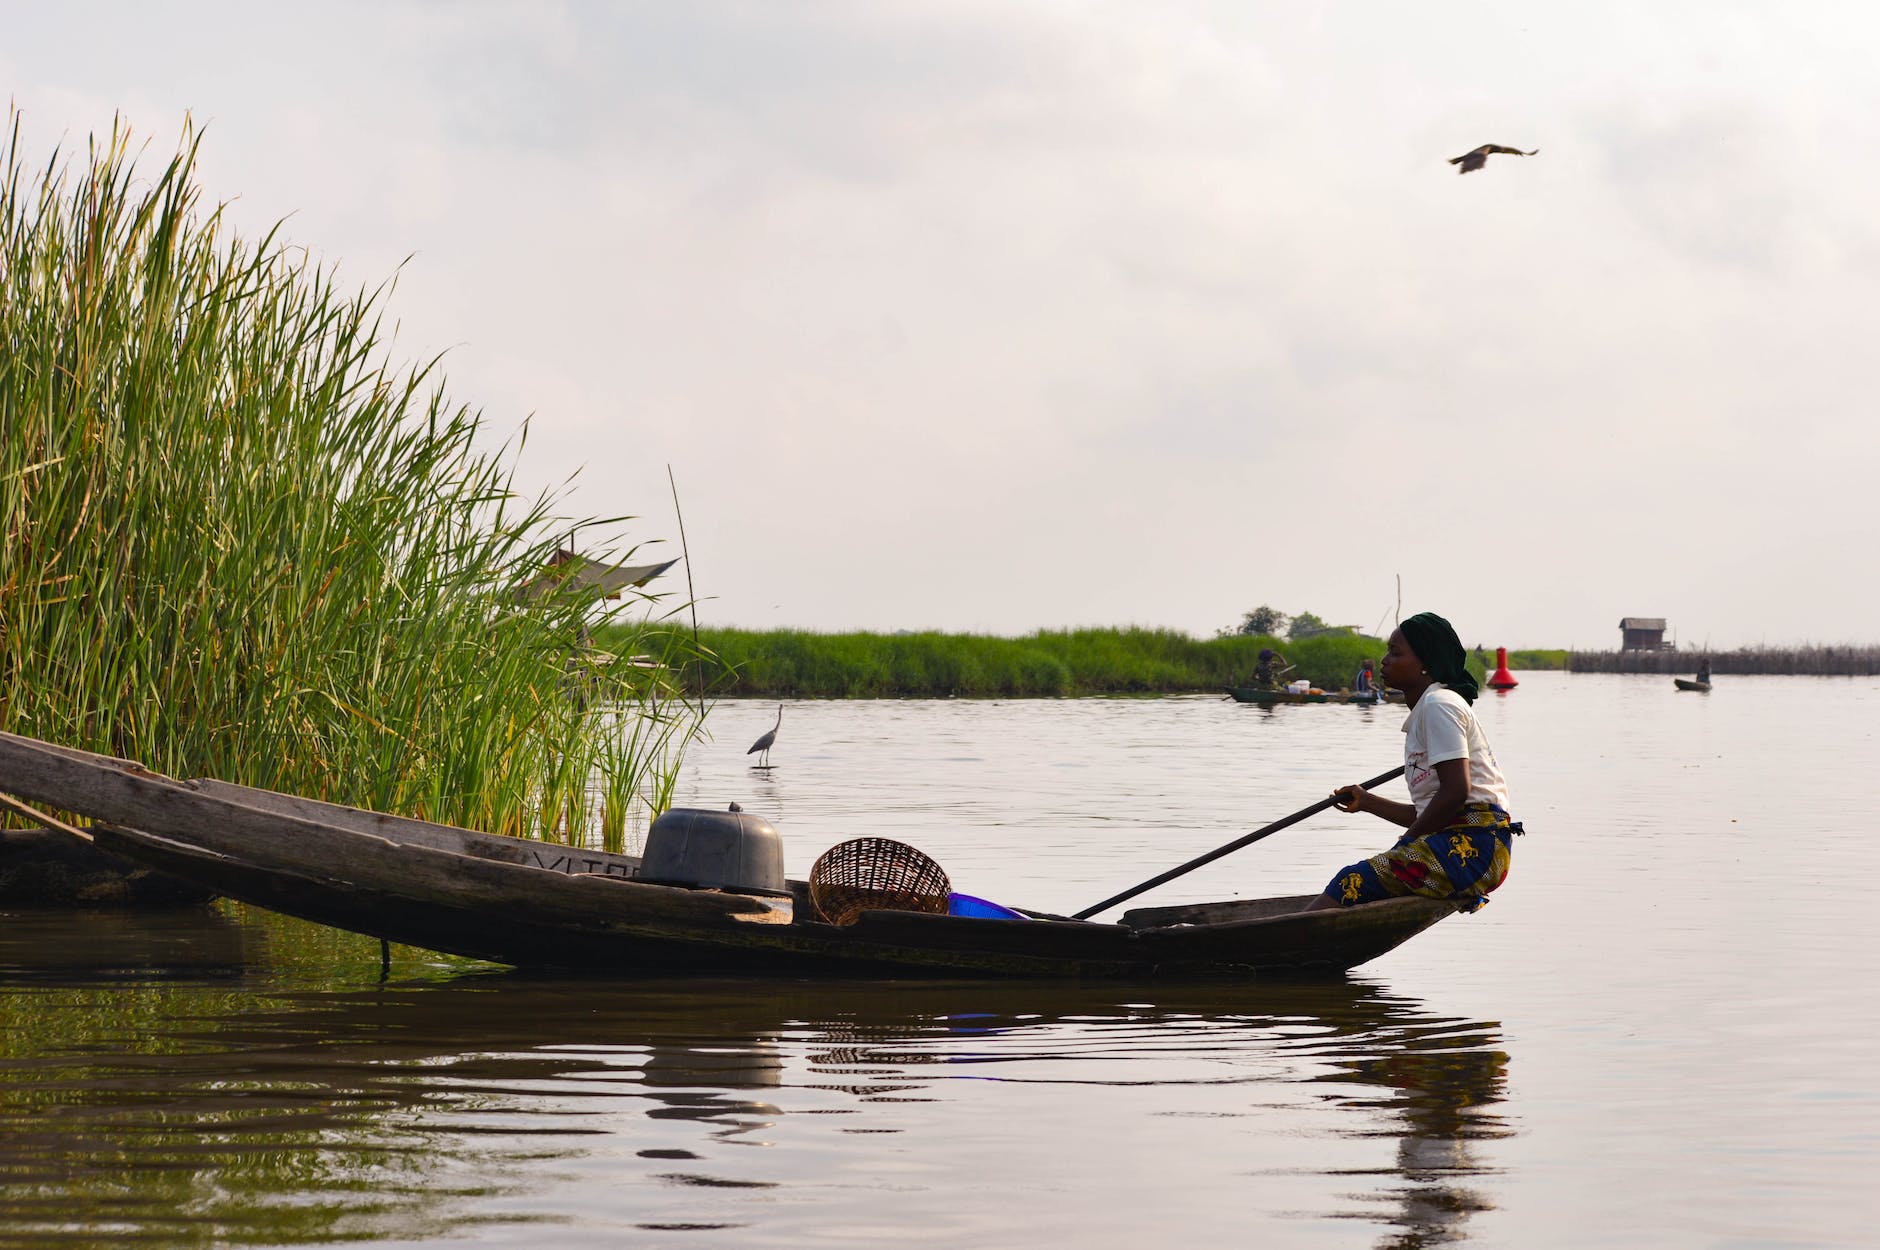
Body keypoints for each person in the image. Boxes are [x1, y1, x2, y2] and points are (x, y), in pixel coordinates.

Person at [1306, 613, 1523, 914]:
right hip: (1466, 845)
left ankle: (1278, 946)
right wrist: (1367, 801)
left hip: (1475, 849)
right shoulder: (1428, 711)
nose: (1384, 660)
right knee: (1358, 883)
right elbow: (1431, 813)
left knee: (1350, 882)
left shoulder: (1439, 706)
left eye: (1396, 653)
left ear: (1426, 665)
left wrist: (1405, 844)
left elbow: (1457, 791)